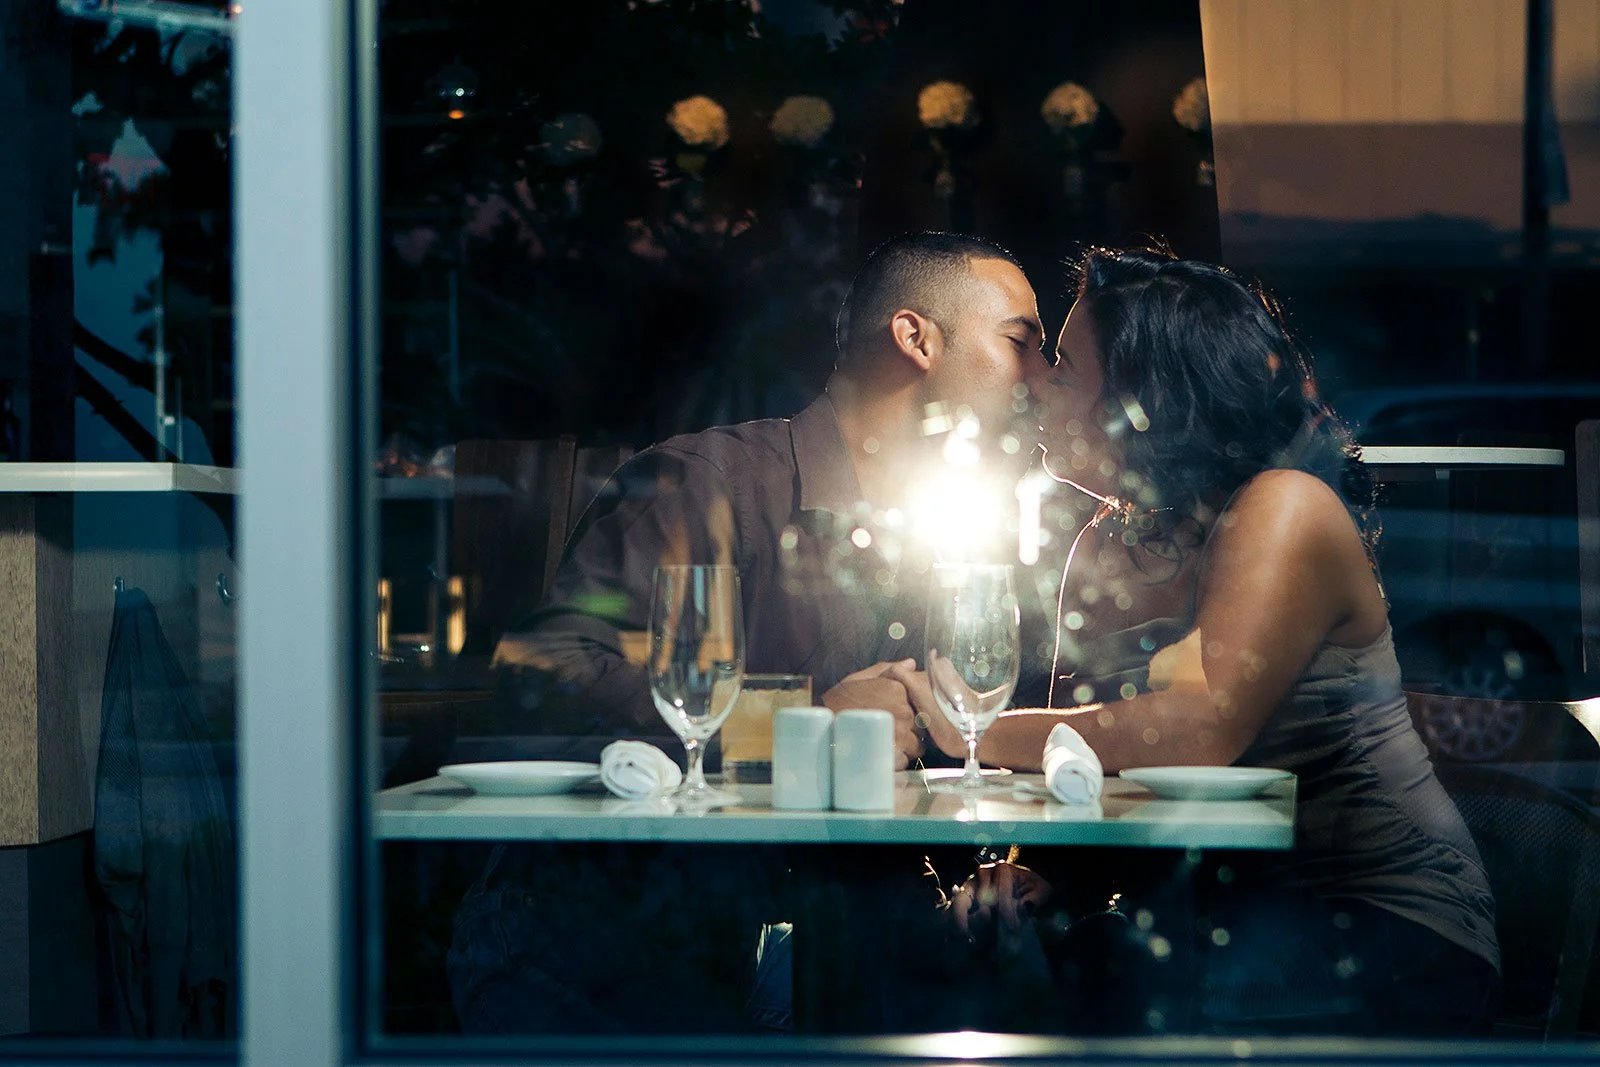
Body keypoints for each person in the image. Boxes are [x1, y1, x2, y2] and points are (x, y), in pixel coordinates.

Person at [448, 231, 1053, 1034]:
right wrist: (806, 721)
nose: (1041, 374)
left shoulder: (934, 529)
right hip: (587, 943)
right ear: (916, 338)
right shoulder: (710, 481)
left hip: (782, 953)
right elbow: (540, 673)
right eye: (1022, 341)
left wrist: (981, 877)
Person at [885, 247, 1500, 1036]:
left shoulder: (1284, 508)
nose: (1033, 382)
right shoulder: (1110, 538)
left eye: (1066, 365)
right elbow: (1090, 766)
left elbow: (1201, 727)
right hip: (1220, 922)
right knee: (972, 961)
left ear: (1145, 396)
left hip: (1388, 925)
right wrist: (1039, 877)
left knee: (1097, 994)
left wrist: (963, 728)